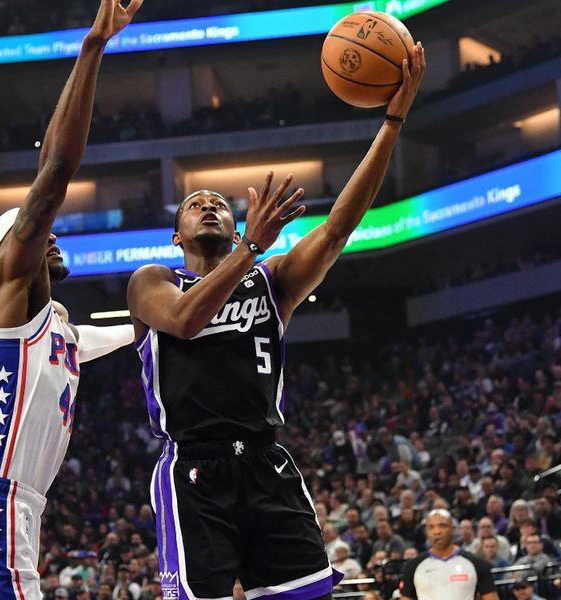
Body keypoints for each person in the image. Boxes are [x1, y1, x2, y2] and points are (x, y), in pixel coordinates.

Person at [127, 41, 426, 600]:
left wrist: (392, 121)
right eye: (196, 204)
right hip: (193, 472)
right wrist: (251, 247)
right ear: (176, 236)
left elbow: (338, 228)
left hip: (267, 463)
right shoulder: (154, 281)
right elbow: (185, 322)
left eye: (220, 202)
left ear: (236, 225)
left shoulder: (271, 279)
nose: (211, 206)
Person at [0, 1, 143, 598]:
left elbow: (139, 330)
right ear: (5, 259)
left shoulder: (59, 333)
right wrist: (93, 49)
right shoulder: (2, 299)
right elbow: (54, 171)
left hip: (4, 509)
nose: (52, 238)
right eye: (35, 236)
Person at [400, 509, 497, 600]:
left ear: (452, 528)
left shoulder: (477, 564)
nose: (437, 532)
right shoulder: (413, 566)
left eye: (442, 525)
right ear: (426, 531)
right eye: (431, 527)